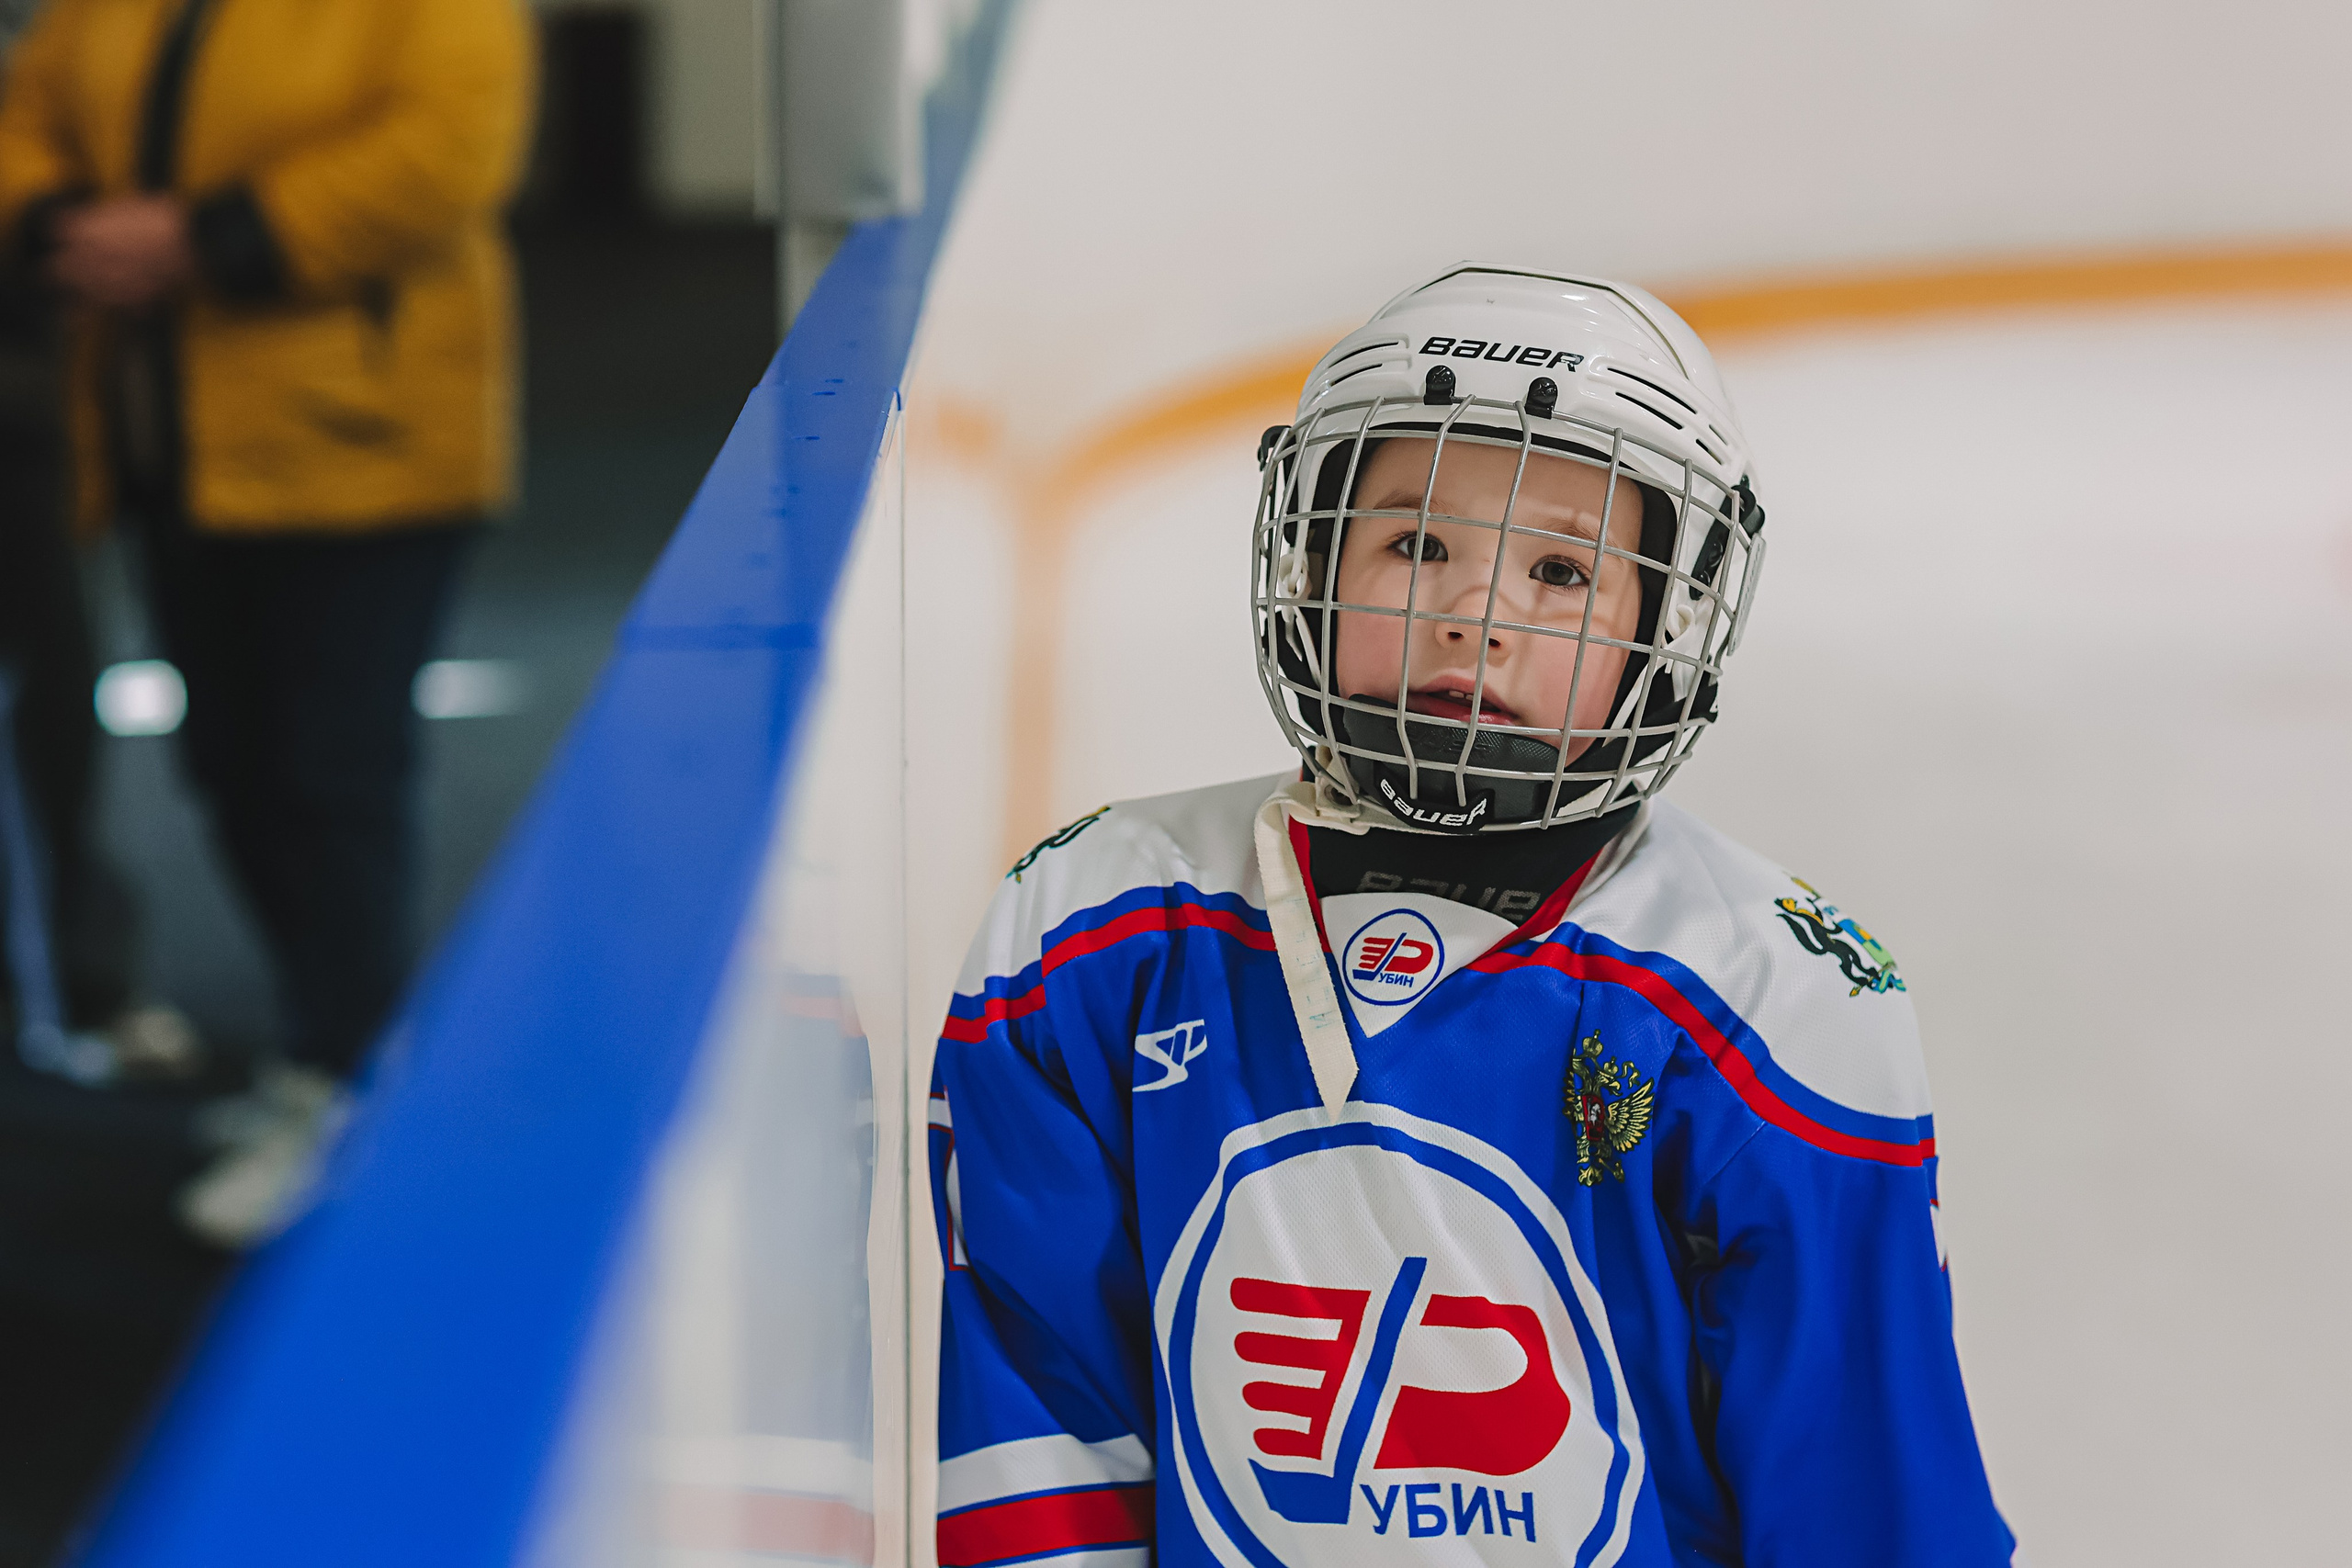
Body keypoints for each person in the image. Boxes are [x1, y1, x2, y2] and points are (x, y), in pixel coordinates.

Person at [926, 266, 2016, 1566]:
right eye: (1415, 544)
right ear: (1312, 552)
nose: (1476, 618)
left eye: (1562, 571)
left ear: (1664, 622)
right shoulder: (1093, 931)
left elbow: (1866, 1499)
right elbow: (1041, 1429)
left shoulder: (1765, 992)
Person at [0, 0, 533, 1241]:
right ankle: (324, 1052)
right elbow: (28, 111)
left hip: (366, 442)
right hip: (171, 445)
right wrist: (60, 227)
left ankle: (346, 1081)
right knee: (231, 769)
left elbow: (449, 149)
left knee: (331, 772)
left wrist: (199, 241)